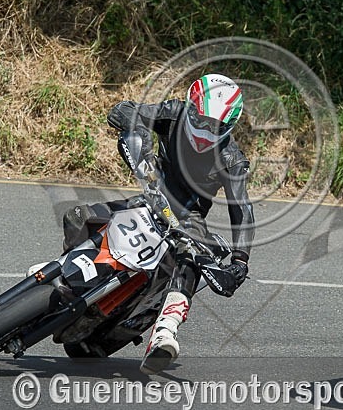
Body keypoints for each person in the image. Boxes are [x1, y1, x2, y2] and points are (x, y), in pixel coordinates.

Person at [64, 73, 254, 374]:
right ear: (190, 107)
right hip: (152, 194)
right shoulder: (174, 112)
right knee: (78, 216)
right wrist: (135, 133)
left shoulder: (232, 159)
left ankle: (166, 332)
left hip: (188, 217)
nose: (205, 130)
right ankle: (63, 272)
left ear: (229, 126)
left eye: (215, 126)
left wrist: (240, 260)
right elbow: (126, 110)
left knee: (193, 258)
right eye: (200, 119)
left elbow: (241, 208)